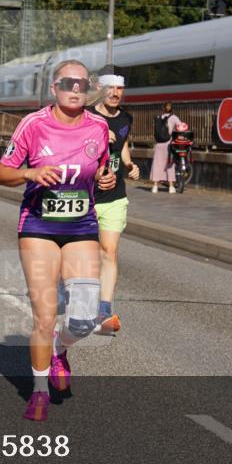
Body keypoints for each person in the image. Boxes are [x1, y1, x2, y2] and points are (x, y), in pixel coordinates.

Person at [0, 59, 114, 422]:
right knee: (45, 317)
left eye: (81, 83)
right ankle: (39, 391)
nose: (75, 89)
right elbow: (2, 173)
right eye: (67, 83)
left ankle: (61, 350)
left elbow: (103, 171)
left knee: (82, 319)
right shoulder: (34, 124)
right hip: (39, 226)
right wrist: (30, 172)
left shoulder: (98, 127)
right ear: (54, 88)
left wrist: (106, 182)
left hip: (81, 226)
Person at [91, 74, 140, 334]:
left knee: (109, 251)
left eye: (120, 87)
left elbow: (123, 146)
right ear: (99, 88)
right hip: (85, 195)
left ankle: (104, 309)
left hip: (115, 195)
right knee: (84, 253)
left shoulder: (126, 118)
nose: (116, 92)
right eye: (111, 87)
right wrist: (97, 136)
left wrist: (131, 165)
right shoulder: (85, 115)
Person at [149, 101, 182, 193]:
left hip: (159, 144)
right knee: (169, 164)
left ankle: (155, 186)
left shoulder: (159, 117)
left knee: (157, 164)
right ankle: (171, 187)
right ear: (172, 109)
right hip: (168, 144)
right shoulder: (173, 117)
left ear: (163, 109)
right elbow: (181, 127)